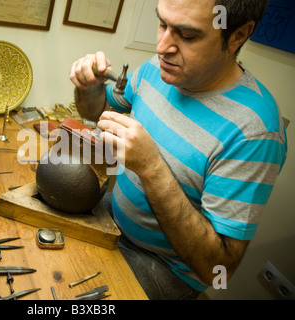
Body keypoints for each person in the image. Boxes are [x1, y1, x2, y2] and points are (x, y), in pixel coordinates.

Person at [69, 0, 287, 299]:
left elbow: (216, 270)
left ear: (238, 35)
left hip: (163, 267)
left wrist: (151, 168)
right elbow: (98, 112)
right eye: (162, 24)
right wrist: (88, 87)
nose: (162, 47)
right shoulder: (157, 68)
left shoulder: (256, 132)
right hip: (112, 219)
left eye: (187, 35)